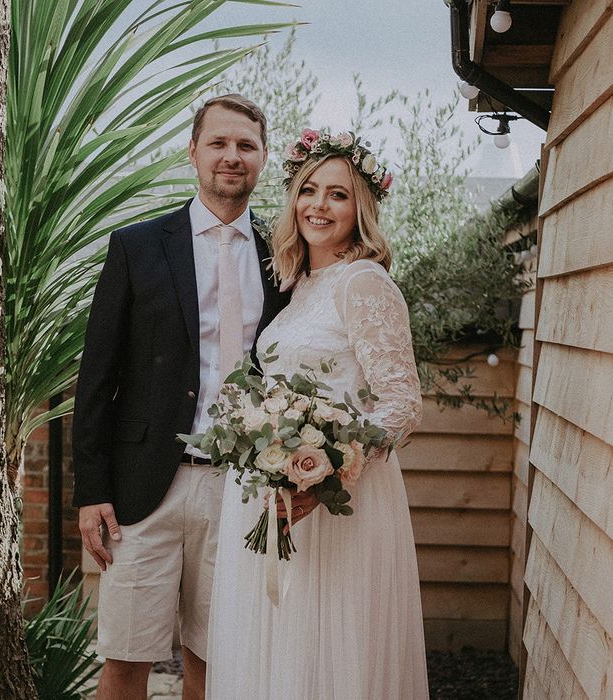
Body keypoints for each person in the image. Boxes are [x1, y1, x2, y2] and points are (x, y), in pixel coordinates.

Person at [72, 94, 288, 700]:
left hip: (242, 489)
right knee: (124, 661)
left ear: (263, 159)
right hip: (143, 491)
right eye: (218, 143)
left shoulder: (287, 256)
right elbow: (97, 376)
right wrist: (92, 492)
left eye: (246, 145)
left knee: (218, 665)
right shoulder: (137, 247)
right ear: (192, 152)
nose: (231, 156)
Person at [206, 131, 430, 699]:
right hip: (273, 490)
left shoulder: (365, 284)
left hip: (337, 504)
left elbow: (403, 404)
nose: (319, 206)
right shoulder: (297, 285)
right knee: (276, 648)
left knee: (330, 649)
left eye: (338, 194)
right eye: (310, 191)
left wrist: (329, 466)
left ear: (361, 209)